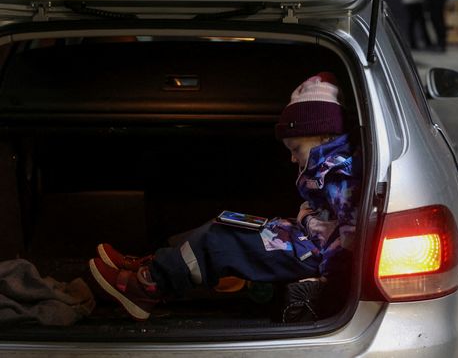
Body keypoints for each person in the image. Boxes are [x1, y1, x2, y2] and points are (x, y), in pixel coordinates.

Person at [88, 72, 361, 320]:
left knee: (221, 241)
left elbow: (349, 240)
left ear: (324, 136)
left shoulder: (340, 174)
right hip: (304, 239)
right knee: (226, 223)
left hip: (313, 255)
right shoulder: (326, 163)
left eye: (296, 148)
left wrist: (329, 283)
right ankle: (156, 263)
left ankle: (147, 286)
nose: (291, 158)